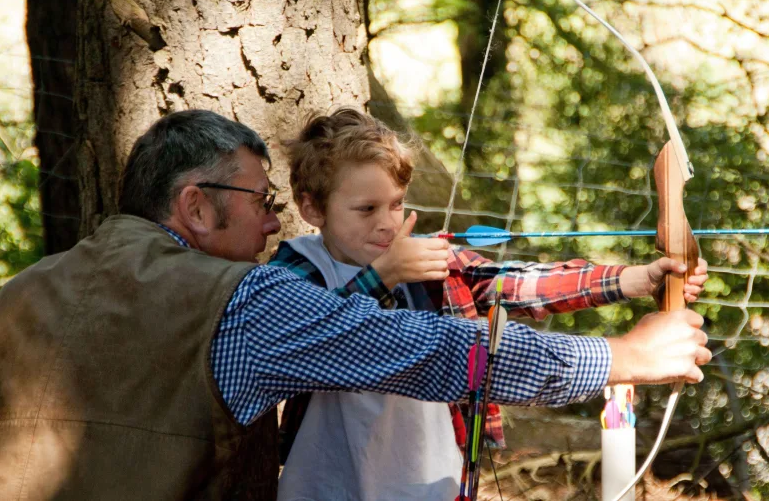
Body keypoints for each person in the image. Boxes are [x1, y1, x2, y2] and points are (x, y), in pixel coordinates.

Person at [0, 110, 711, 501]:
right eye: (260, 202)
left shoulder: (21, 296)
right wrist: (627, 356)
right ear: (194, 206)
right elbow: (437, 352)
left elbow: (507, 284)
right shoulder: (243, 302)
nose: (273, 224)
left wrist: (630, 280)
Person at [272, 108, 710, 501]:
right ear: (312, 208)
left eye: (396, 204)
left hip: (431, 479)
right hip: (328, 482)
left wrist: (633, 279)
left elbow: (514, 283)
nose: (387, 223)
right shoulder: (299, 268)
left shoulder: (423, 261)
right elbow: (311, 332)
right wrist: (381, 275)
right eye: (366, 209)